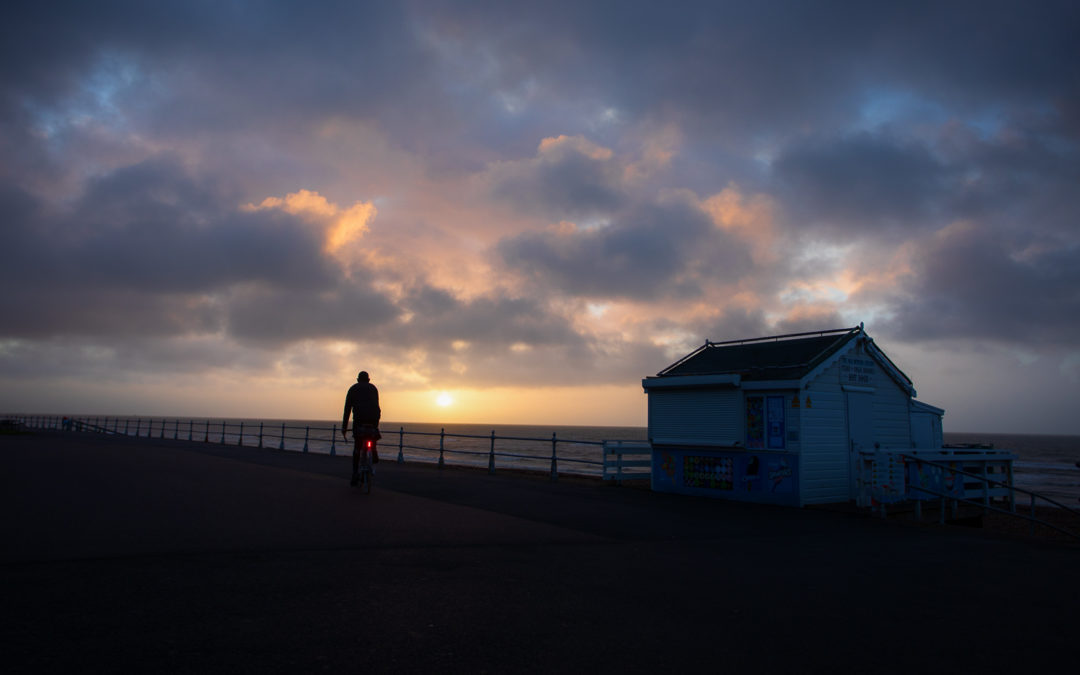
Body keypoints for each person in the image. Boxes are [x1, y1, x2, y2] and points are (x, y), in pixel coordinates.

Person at [342, 370, 381, 486]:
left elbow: (347, 410)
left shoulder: (353, 389)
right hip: (373, 420)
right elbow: (376, 408)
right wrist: (376, 425)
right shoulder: (373, 388)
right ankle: (373, 450)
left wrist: (344, 428)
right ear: (369, 380)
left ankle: (355, 474)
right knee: (372, 435)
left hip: (359, 422)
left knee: (357, 448)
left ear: (358, 380)